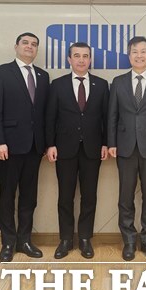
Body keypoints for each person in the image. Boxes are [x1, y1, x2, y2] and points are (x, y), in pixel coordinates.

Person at [0, 32, 50, 262]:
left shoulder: (43, 76)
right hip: (9, 147)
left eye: (34, 44)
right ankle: (8, 242)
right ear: (16, 46)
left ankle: (24, 240)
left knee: (29, 197)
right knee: (7, 195)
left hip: (35, 147)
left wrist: (45, 143)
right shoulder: (1, 72)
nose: (30, 47)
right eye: (25, 43)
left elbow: (43, 113)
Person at [108, 36, 146, 261]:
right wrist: (112, 142)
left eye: (143, 51)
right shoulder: (118, 82)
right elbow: (112, 115)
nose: (139, 55)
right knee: (125, 196)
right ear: (129, 55)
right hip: (124, 147)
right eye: (134, 52)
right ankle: (129, 240)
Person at [45, 42, 109, 259]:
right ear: (69, 59)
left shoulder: (102, 85)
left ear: (90, 60)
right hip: (64, 149)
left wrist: (105, 143)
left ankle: (84, 238)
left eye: (85, 56)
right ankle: (65, 239)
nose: (81, 60)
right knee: (65, 196)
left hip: (92, 149)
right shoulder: (58, 85)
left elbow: (106, 118)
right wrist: (50, 144)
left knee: (89, 196)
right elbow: (50, 118)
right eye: (77, 56)